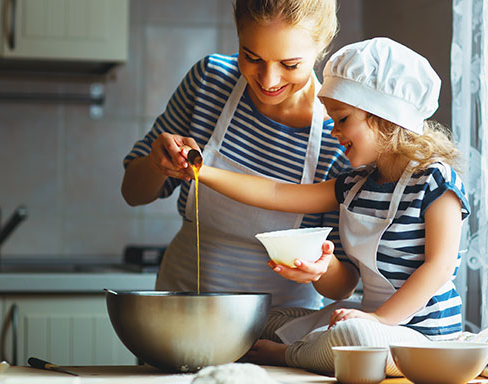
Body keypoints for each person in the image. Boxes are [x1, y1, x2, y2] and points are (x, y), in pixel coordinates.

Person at [189, 37, 470, 376]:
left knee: (355, 335)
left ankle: (287, 355)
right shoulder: (355, 185)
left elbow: (438, 267)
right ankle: (308, 345)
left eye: (342, 119)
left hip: (423, 340)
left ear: (384, 116)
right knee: (268, 317)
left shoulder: (436, 181)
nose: (334, 131)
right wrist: (200, 171)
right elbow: (277, 193)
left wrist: (379, 320)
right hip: (370, 321)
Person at [121, 0, 350, 336]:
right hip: (178, 315)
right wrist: (158, 164)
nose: (268, 79)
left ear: (322, 44)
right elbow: (132, 192)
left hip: (277, 333)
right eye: (251, 56)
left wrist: (321, 268)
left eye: (290, 64)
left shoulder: (340, 131)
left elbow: (342, 285)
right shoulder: (209, 83)